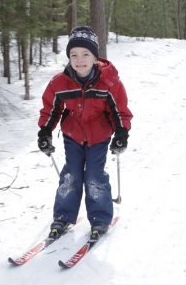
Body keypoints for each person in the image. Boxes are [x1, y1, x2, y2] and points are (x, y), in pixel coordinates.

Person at [36, 26, 133, 241]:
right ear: (69, 57)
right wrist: (45, 132)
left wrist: (121, 133)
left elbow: (120, 111)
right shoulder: (59, 83)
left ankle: (99, 218)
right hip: (72, 135)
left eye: (85, 54)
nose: (80, 60)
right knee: (71, 174)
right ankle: (63, 216)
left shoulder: (109, 82)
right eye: (74, 55)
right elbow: (51, 109)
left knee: (94, 176)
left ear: (95, 56)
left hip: (98, 137)